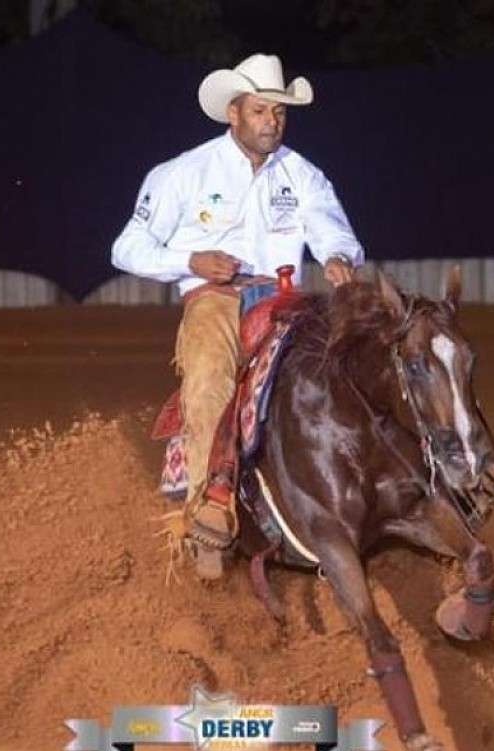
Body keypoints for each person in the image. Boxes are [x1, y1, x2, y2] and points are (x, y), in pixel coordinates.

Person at [111, 53, 365, 579]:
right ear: (234, 113)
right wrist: (189, 260)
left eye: (279, 113)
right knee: (208, 381)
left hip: (285, 294)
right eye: (260, 111)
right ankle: (209, 506)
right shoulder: (182, 173)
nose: (271, 121)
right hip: (215, 297)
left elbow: (332, 230)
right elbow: (126, 248)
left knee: (341, 373)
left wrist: (339, 256)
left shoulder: (303, 174)